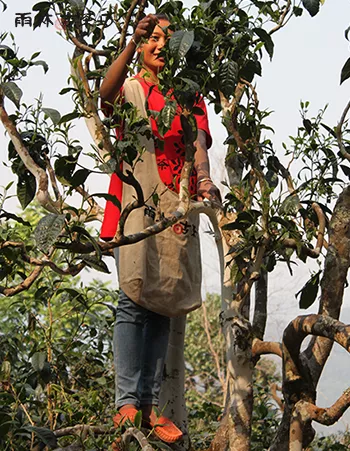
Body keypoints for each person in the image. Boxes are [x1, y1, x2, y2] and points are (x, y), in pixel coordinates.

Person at [99, 13, 221, 444]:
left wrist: (203, 179)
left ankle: (148, 408)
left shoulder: (187, 94)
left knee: (164, 301)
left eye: (166, 40)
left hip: (176, 204)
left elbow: (199, 142)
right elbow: (105, 95)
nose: (158, 45)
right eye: (151, 38)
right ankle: (126, 404)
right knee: (134, 297)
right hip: (136, 203)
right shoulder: (133, 88)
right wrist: (129, 43)